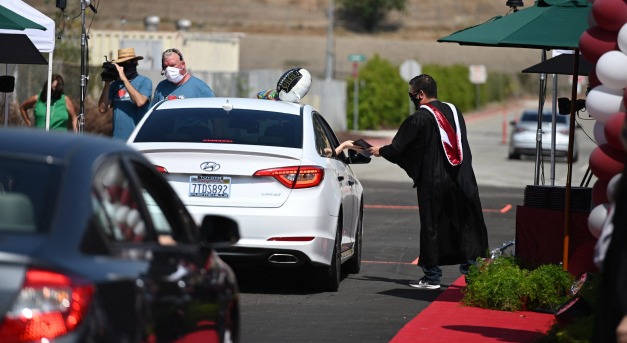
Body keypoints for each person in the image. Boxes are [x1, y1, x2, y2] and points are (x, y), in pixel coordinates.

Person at [367, 74, 488, 290]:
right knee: (466, 225)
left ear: (420, 94)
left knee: (432, 227)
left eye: (411, 94)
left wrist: (380, 151)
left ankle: (432, 277)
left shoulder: (420, 118)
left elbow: (398, 149)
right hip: (463, 179)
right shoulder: (454, 111)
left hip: (434, 183)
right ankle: (473, 276)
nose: (411, 97)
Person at [98, 47, 153, 141]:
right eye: (122, 63)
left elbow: (140, 102)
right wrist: (107, 83)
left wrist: (124, 79)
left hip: (138, 139)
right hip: (118, 140)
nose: (124, 66)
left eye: (128, 63)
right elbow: (102, 109)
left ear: (136, 63)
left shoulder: (145, 81)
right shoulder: (115, 85)